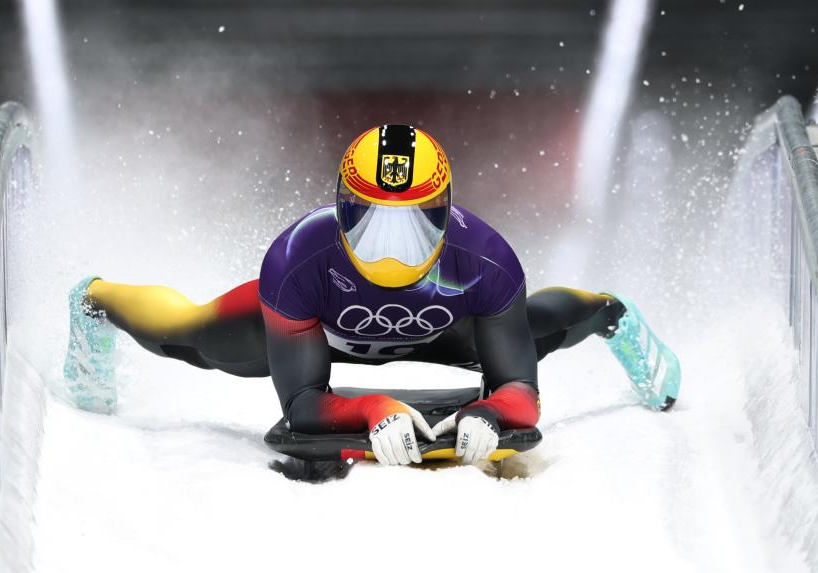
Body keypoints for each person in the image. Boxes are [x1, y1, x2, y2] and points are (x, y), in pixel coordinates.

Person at [65, 124, 680, 466]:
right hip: (326, 320)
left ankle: (611, 314)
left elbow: (520, 390)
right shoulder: (295, 260)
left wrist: (491, 412)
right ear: (341, 209)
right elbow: (302, 405)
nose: (391, 253)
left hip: (442, 323)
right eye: (371, 223)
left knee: (536, 326)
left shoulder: (488, 260)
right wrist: (367, 410)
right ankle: (97, 300)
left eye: (412, 227)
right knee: (195, 339)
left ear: (445, 213)